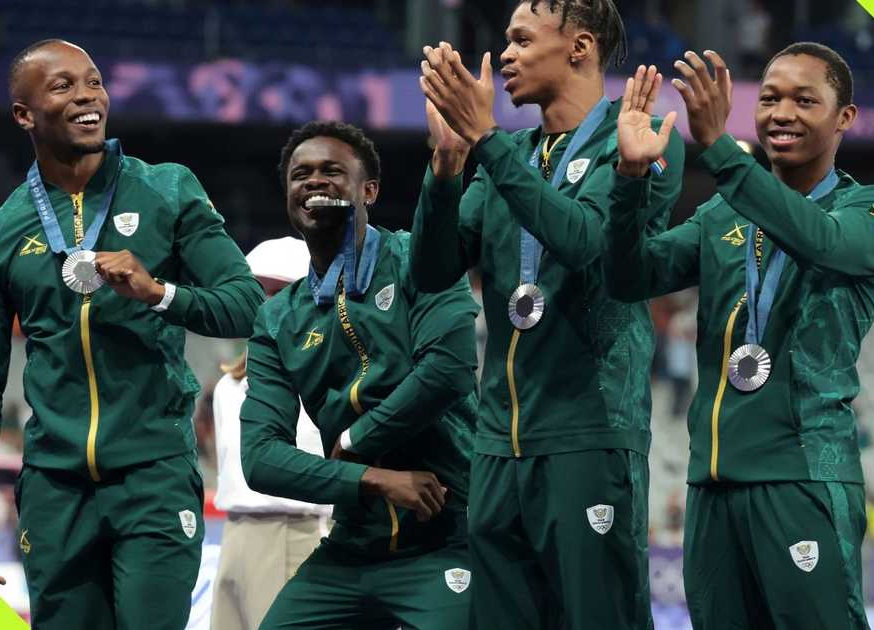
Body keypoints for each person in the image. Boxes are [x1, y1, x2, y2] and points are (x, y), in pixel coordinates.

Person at [0, 39, 263, 630]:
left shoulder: (168, 189)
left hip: (154, 475)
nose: (88, 96)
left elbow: (246, 307)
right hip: (52, 487)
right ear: (24, 114)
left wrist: (159, 293)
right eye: (63, 86)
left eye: (94, 82)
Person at [605, 42, 874, 628]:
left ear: (844, 117)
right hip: (712, 485)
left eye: (804, 100)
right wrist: (631, 177)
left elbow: (820, 241)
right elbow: (629, 276)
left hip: (803, 478)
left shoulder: (872, 209)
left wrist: (718, 149)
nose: (782, 113)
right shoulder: (722, 215)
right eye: (769, 99)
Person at [413, 0, 684, 626]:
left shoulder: (641, 139)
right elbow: (432, 272)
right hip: (497, 447)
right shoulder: (511, 154)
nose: (504, 54)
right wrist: (448, 166)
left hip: (587, 436)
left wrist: (485, 143)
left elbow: (586, 241)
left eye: (520, 39)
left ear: (579, 47)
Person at [240, 121, 479, 629]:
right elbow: (260, 459)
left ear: (369, 189)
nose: (314, 181)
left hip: (449, 537)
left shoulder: (422, 260)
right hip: (352, 546)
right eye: (300, 175)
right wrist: (371, 479)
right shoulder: (278, 317)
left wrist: (354, 442)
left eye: (332, 171)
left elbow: (449, 371)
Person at [210, 236, 332, 630]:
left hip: (291, 531)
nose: (267, 303)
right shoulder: (228, 386)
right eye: (259, 291)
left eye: (280, 290)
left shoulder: (327, 377)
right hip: (234, 532)